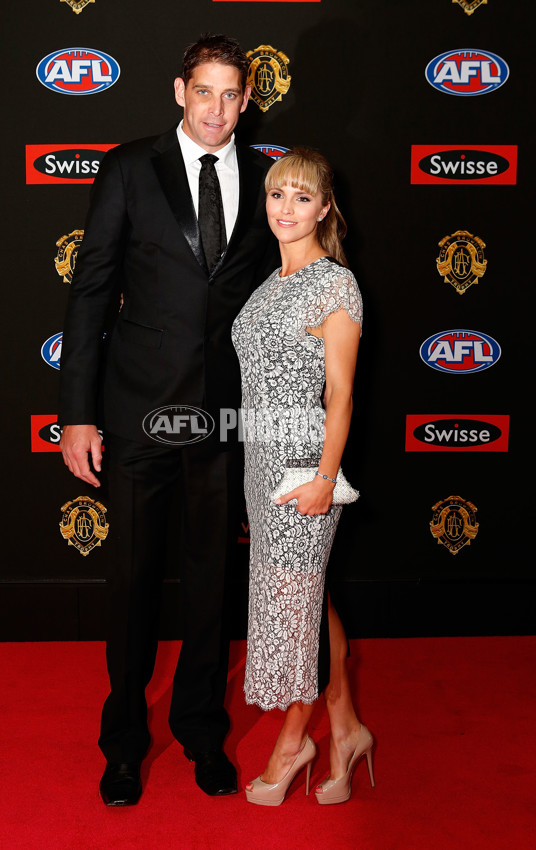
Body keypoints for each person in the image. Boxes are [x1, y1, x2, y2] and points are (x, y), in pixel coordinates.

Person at [58, 34, 278, 806]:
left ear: (246, 100)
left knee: (213, 586)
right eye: (205, 91)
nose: (218, 109)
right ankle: (123, 744)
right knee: (132, 585)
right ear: (179, 91)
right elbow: (90, 294)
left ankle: (202, 733)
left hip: (223, 418)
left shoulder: (265, 178)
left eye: (232, 95)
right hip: (138, 414)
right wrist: (77, 415)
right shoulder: (127, 167)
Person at [232, 148, 374, 806]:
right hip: (260, 466)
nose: (284, 209)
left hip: (303, 469)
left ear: (324, 208)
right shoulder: (269, 282)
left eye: (300, 197)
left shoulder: (334, 284)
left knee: (291, 611)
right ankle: (345, 731)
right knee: (308, 600)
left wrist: (324, 476)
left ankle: (294, 745)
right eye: (275, 196)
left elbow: (340, 396)